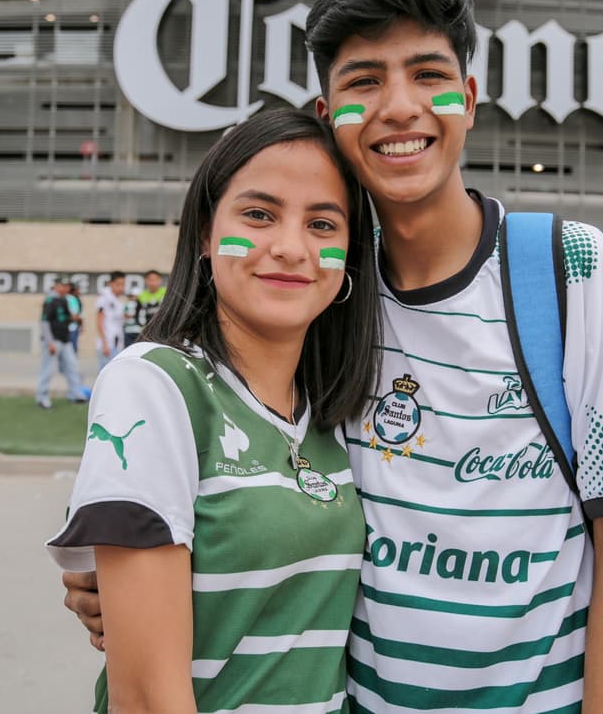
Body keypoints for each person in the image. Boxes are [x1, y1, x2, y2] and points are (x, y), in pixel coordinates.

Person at [63, 0, 603, 712]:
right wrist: (129, 578)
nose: (398, 107)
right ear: (328, 117)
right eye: (364, 80)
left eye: (427, 75)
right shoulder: (321, 291)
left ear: (470, 98)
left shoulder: (566, 267)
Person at [47, 108, 381, 713]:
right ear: (205, 232)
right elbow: (147, 698)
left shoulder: (336, 411)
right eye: (258, 215)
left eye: (323, 224)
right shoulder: (154, 383)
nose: (289, 247)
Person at [37, 276, 86, 409]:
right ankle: (42, 397)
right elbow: (44, 321)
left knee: (73, 367)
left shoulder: (64, 300)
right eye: (63, 286)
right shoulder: (50, 300)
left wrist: (74, 319)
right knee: (47, 369)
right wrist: (50, 342)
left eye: (67, 286)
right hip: (54, 340)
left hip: (65, 339)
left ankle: (76, 394)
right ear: (57, 286)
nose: (65, 289)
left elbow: (64, 318)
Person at [94, 271, 126, 374]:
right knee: (105, 374)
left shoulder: (117, 300)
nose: (121, 287)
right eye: (118, 284)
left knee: (114, 373)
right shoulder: (104, 298)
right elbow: (99, 322)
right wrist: (105, 344)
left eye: (123, 284)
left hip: (116, 343)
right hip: (107, 344)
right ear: (110, 283)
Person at [66, 281, 84, 355]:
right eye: (77, 289)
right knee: (72, 350)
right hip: (70, 328)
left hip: (74, 327)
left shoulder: (75, 299)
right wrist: (79, 319)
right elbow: (74, 315)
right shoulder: (70, 298)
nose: (79, 291)